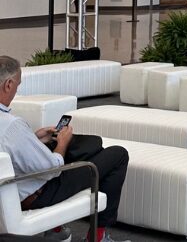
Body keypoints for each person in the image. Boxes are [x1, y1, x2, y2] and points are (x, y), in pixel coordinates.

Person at [0, 56, 129, 242]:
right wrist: (62, 143)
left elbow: (8, 148)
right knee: (117, 154)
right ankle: (97, 237)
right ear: (8, 84)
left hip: (11, 187)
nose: (16, 91)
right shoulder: (12, 126)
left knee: (73, 147)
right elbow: (52, 169)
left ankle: (57, 230)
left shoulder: (10, 128)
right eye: (17, 85)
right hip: (36, 194)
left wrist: (34, 138)